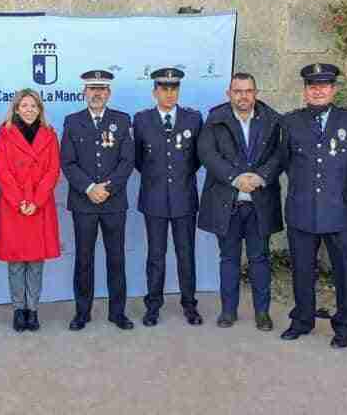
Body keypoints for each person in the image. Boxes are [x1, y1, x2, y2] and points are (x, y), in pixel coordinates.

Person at [279, 63, 347, 348]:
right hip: (302, 209)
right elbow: (280, 161)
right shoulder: (290, 122)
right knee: (302, 270)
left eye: (324, 85)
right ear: (304, 91)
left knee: (345, 272)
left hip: (339, 210)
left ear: (333, 89)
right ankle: (302, 320)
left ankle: (346, 326)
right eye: (312, 86)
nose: (318, 90)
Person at [197, 72, 283, 331]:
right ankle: (228, 311)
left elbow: (280, 154)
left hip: (260, 202)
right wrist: (235, 178)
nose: (243, 96)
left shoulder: (272, 119)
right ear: (229, 94)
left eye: (248, 91)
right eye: (237, 91)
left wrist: (261, 177)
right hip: (228, 202)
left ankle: (262, 313)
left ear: (255, 93)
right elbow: (207, 153)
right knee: (229, 259)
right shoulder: (215, 119)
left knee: (259, 259)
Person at [61, 69, 135, 331]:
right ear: (84, 93)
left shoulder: (122, 120)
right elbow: (67, 163)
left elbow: (128, 161)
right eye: (92, 89)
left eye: (102, 89)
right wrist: (90, 188)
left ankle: (118, 313)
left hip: (114, 203)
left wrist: (108, 188)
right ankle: (82, 312)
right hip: (84, 203)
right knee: (84, 259)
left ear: (109, 93)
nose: (97, 93)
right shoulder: (72, 122)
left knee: (116, 258)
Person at [133, 67, 203, 327]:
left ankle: (189, 305)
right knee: (156, 256)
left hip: (184, 197)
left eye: (174, 89)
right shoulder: (141, 120)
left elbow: (196, 159)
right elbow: (139, 160)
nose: (169, 93)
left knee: (186, 254)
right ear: (155, 92)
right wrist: (158, 179)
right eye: (164, 89)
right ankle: (153, 306)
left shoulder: (193, 119)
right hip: (154, 198)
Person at [0, 89, 61, 332]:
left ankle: (32, 310)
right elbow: (2, 171)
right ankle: (18, 310)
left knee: (35, 262)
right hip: (15, 206)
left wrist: (37, 200)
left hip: (39, 206)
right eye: (24, 105)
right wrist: (19, 200)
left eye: (34, 105)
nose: (29, 109)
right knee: (15, 263)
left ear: (40, 109)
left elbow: (53, 171)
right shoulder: (5, 133)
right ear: (16, 109)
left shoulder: (50, 134)